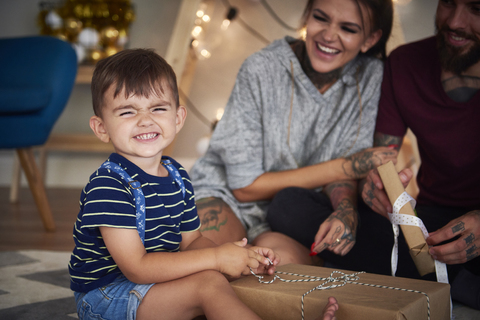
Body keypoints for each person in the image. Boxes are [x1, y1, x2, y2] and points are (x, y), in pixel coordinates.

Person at [280, 0, 480, 310]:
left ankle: (441, 278)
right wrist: (374, 185)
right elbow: (381, 158)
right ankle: (453, 279)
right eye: (448, 3)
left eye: (476, 8)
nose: (454, 21)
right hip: (429, 223)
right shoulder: (405, 63)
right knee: (287, 204)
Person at [67, 48, 291, 320]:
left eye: (158, 108)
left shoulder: (177, 174)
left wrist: (239, 256)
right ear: (101, 128)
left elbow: (192, 242)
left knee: (224, 278)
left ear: (178, 118)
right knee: (208, 285)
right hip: (107, 296)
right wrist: (217, 260)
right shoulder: (109, 186)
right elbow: (137, 268)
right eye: (127, 112)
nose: (145, 120)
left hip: (152, 284)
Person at [190, 0, 396, 265]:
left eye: (348, 28)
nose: (329, 35)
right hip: (226, 196)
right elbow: (244, 187)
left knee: (275, 278)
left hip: (288, 214)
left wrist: (346, 209)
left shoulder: (370, 77)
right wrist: (349, 166)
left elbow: (345, 172)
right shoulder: (261, 68)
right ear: (306, 17)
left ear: (370, 39)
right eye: (321, 18)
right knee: (204, 262)